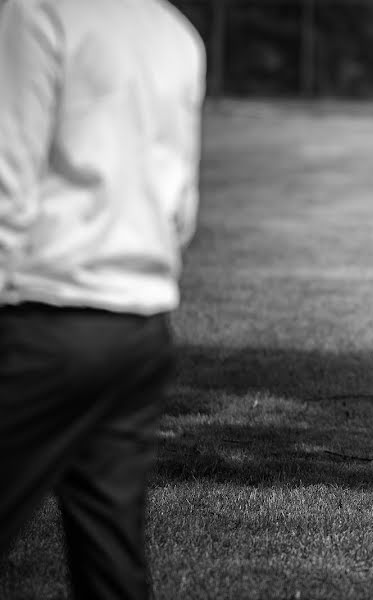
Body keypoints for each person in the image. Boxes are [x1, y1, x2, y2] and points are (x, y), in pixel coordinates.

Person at [0, 1, 205, 598]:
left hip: (45, 317)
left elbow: (7, 177)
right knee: (111, 567)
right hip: (141, 330)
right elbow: (180, 206)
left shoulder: (38, 10)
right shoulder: (174, 31)